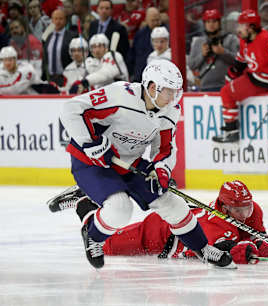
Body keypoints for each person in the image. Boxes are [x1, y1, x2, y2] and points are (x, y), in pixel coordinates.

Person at [58, 59, 235, 269]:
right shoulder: (119, 95)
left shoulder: (169, 110)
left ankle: (203, 249)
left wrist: (162, 170)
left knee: (172, 203)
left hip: (129, 162)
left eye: (176, 92)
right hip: (93, 162)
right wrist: (91, 143)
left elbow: (165, 148)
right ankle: (93, 235)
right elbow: (71, 109)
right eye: (169, 91)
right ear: (152, 87)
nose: (173, 98)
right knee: (120, 209)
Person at [103, 180, 268, 265]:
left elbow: (259, 236)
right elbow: (219, 252)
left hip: (181, 219)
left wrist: (261, 243)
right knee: (106, 245)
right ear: (224, 208)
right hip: (159, 232)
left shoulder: (253, 211)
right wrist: (242, 251)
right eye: (239, 210)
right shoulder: (215, 224)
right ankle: (86, 208)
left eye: (248, 207)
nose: (245, 214)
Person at [212, 9, 268, 143]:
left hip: (263, 80)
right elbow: (242, 58)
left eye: (241, 25)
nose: (238, 29)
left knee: (226, 93)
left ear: (251, 27)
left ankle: (231, 131)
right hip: (255, 75)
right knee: (228, 87)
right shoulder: (244, 39)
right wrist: (235, 70)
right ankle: (231, 129)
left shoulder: (264, 41)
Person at [188, 9, 239, 92]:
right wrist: (202, 55)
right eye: (208, 22)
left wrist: (223, 52)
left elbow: (238, 62)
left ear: (219, 23)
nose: (211, 24)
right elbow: (191, 65)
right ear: (204, 24)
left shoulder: (231, 39)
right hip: (204, 87)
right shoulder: (198, 42)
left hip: (227, 86)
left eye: (214, 21)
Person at [43, 9, 78, 87]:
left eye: (60, 18)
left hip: (66, 77)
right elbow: (45, 57)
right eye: (55, 19)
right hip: (51, 78)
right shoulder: (49, 36)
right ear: (52, 20)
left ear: (65, 20)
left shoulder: (72, 36)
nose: (58, 21)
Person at [128, 7, 163, 82]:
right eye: (153, 20)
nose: (156, 23)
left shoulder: (166, 33)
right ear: (146, 20)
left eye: (157, 20)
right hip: (140, 76)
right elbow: (132, 55)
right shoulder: (140, 34)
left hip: (158, 77)